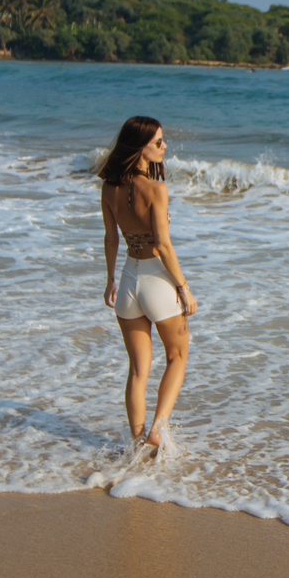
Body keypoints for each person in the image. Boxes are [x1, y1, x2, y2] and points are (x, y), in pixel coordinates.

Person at [98, 115, 198, 453]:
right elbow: (164, 245)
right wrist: (183, 287)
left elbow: (111, 238)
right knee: (178, 355)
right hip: (157, 280)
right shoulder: (156, 189)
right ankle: (158, 427)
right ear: (141, 147)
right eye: (158, 142)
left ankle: (138, 441)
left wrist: (110, 279)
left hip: (128, 280)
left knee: (138, 370)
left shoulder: (109, 187)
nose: (164, 146)